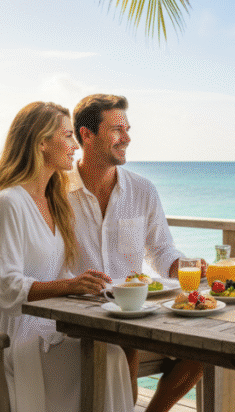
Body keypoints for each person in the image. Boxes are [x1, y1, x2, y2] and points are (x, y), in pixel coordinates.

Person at [0, 101, 133, 412]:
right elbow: (7, 287)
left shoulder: (54, 200)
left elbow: (53, 271)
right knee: (103, 359)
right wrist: (70, 286)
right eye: (66, 136)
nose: (75, 145)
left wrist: (90, 285)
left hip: (38, 326)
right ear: (41, 143)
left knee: (110, 353)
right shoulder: (9, 202)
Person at [68, 94, 205, 412]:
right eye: (116, 130)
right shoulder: (57, 192)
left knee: (204, 347)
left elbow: (160, 248)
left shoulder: (143, 190)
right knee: (124, 345)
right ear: (86, 135)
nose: (127, 138)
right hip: (78, 313)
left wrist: (187, 266)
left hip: (137, 307)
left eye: (127, 129)